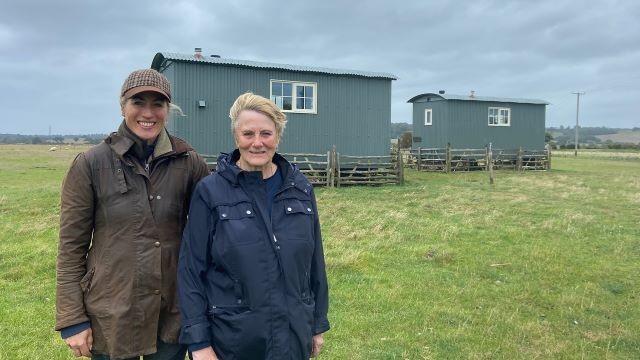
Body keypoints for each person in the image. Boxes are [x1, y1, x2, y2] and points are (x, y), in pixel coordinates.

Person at [55, 68, 210, 359]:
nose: (148, 113)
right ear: (122, 106)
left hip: (171, 312)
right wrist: (72, 318)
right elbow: (70, 248)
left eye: (158, 104)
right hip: (111, 312)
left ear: (168, 109)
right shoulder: (91, 164)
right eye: (138, 102)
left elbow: (212, 233)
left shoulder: (189, 162)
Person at [177, 93, 330, 359]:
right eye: (248, 134)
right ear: (236, 137)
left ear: (278, 136)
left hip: (293, 335)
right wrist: (199, 343)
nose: (257, 143)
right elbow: (191, 271)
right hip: (235, 340)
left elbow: (315, 263)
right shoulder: (211, 192)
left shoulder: (300, 188)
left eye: (266, 134)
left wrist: (317, 325)